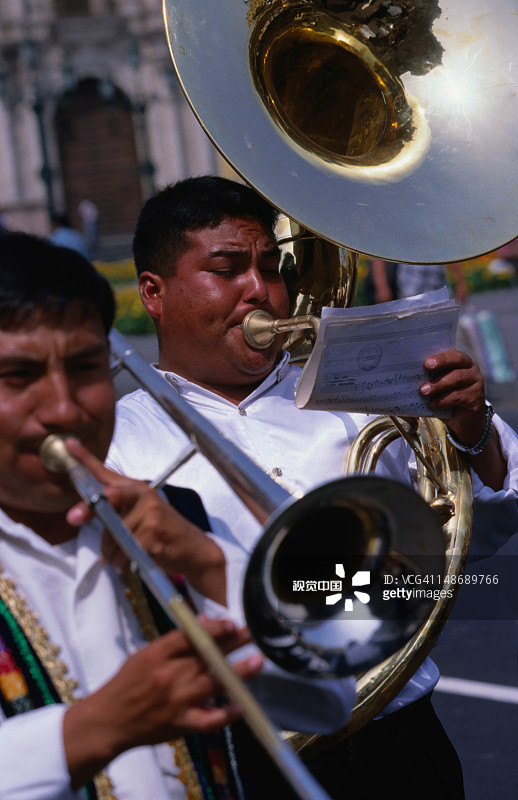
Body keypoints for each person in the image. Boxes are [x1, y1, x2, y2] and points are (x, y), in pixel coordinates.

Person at [107, 176, 518, 799]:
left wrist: (471, 426)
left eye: (270, 268)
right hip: (250, 759)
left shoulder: (356, 392)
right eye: (226, 269)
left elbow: (474, 535)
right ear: (153, 293)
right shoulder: (117, 443)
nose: (259, 291)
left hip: (403, 742)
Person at [0, 232, 270, 800]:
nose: (63, 409)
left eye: (84, 367)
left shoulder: (174, 521)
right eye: (18, 377)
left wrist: (207, 560)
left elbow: (328, 693)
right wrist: (93, 730)